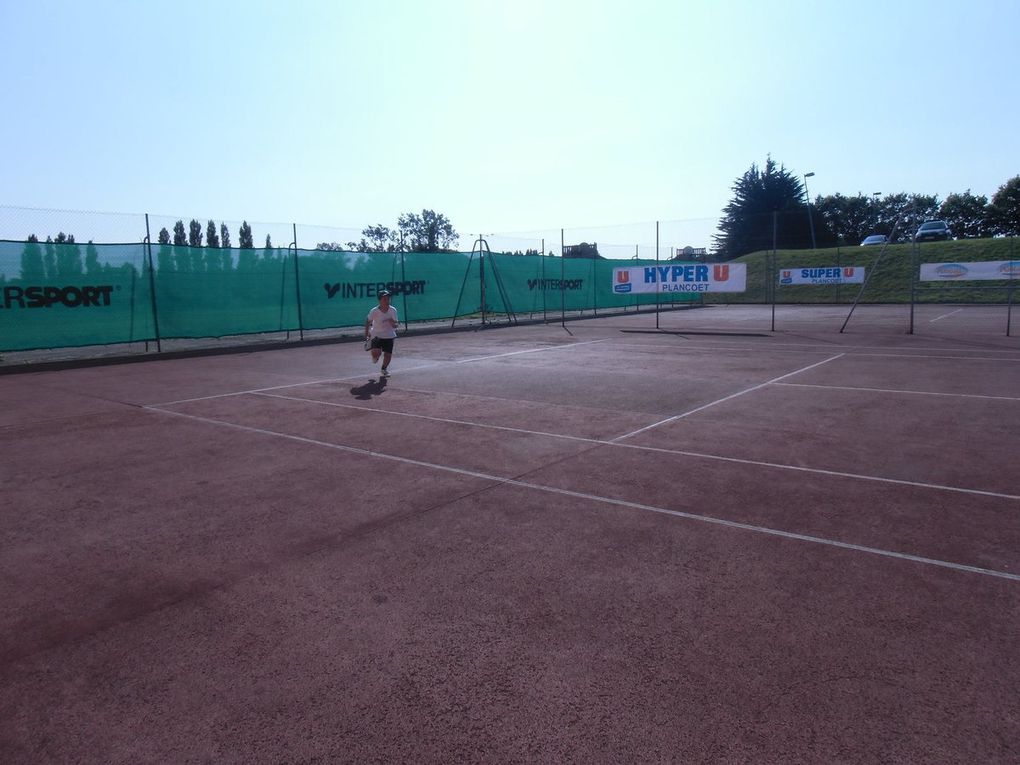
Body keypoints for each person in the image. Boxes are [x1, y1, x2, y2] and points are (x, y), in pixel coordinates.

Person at [364, 289, 398, 377]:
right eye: (385, 299)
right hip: (376, 335)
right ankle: (374, 356)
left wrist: (392, 323)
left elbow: (396, 325)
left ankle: (384, 369)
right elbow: (368, 321)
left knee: (388, 355)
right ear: (380, 300)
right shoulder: (374, 311)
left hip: (389, 335)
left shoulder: (393, 310)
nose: (387, 301)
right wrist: (367, 333)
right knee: (376, 353)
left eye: (388, 299)